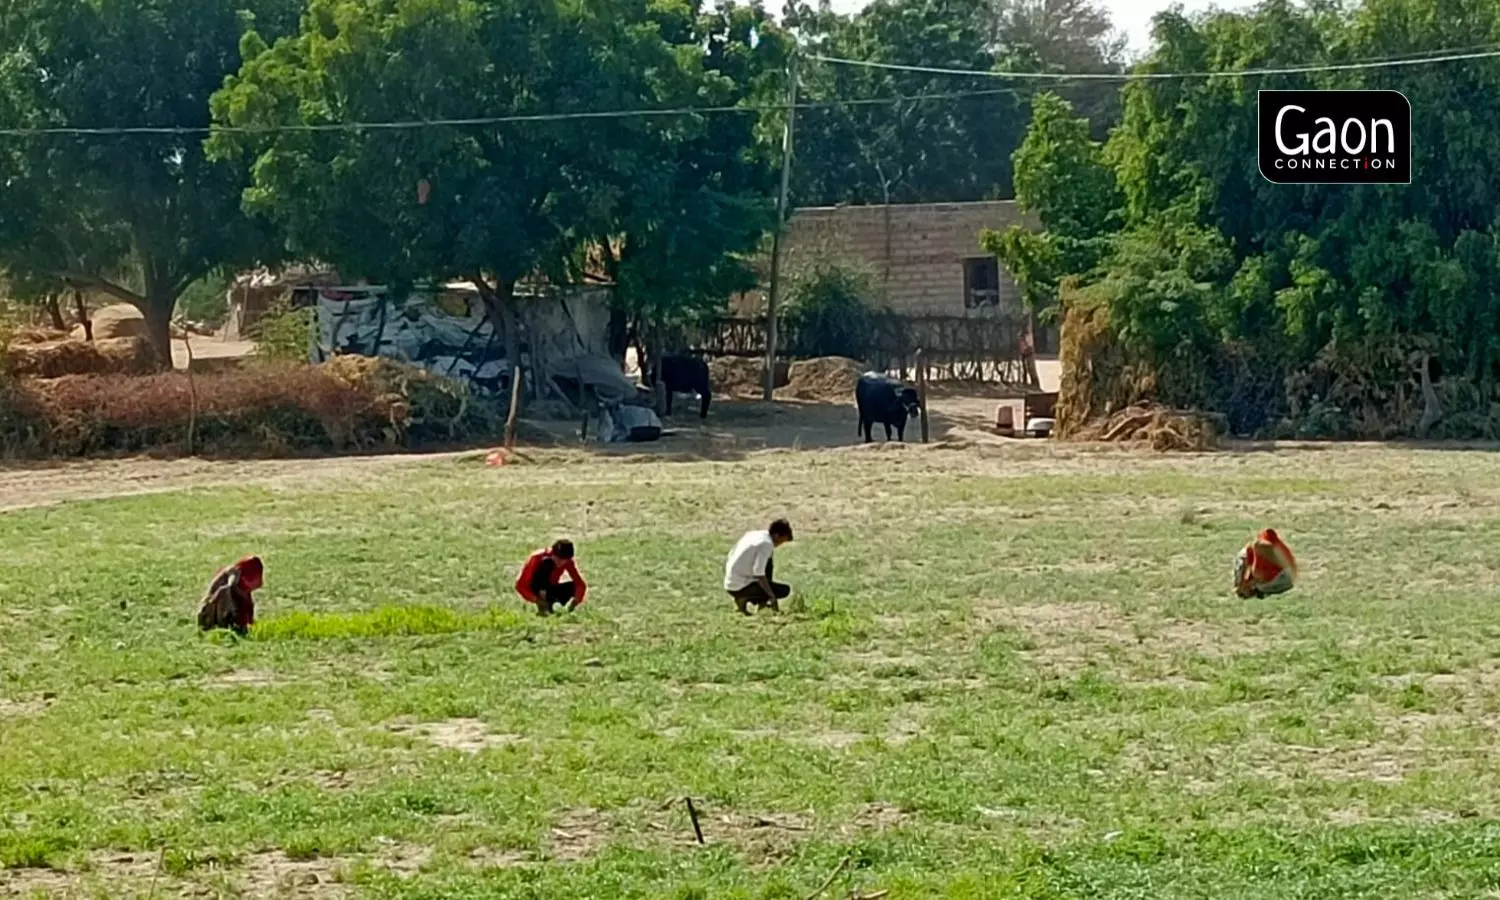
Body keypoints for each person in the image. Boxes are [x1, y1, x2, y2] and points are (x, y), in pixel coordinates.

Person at [725, 519, 794, 615]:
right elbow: (759, 574)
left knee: (768, 562)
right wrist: (771, 596)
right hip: (739, 587)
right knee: (783, 590)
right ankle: (743, 598)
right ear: (776, 536)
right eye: (781, 541)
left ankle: (761, 603)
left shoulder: (756, 535)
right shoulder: (766, 544)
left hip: (730, 582)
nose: (779, 545)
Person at [516, 540, 588, 616]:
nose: (561, 563)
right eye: (559, 559)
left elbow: (580, 584)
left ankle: (552, 605)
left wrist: (575, 602)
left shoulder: (568, 562)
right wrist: (536, 600)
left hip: (550, 589)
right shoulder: (537, 558)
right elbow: (520, 585)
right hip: (535, 589)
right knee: (547, 563)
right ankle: (543, 607)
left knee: (573, 586)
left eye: (564, 560)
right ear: (553, 554)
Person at [198, 556, 264, 636]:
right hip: (209, 615)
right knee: (227, 597)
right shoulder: (234, 574)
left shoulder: (240, 583)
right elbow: (224, 591)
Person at [1234, 528, 1298, 598]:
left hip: (1278, 578)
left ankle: (1252, 589)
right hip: (1283, 577)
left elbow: (1258, 574)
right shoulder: (1255, 551)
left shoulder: (1259, 547)